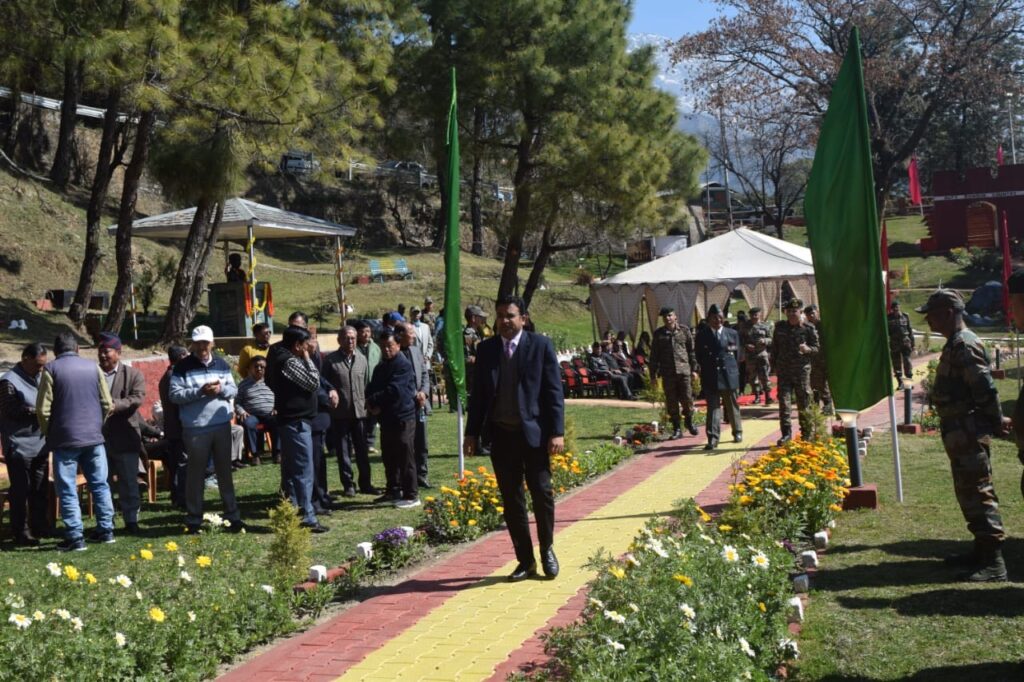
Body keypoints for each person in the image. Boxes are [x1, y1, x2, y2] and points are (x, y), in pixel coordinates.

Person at [465, 295, 564, 582]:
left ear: (523, 318)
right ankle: (525, 560)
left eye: (510, 315)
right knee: (512, 500)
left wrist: (556, 432)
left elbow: (553, 392)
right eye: (500, 316)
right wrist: (471, 433)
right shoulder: (487, 350)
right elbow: (479, 396)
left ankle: (547, 549)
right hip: (502, 435)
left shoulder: (541, 346)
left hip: (534, 436)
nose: (505, 321)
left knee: (542, 493)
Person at [919, 288, 1008, 582]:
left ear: (948, 313)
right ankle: (981, 550)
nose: (928, 321)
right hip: (959, 431)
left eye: (931, 315)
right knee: (968, 491)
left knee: (978, 491)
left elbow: (984, 389)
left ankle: (994, 561)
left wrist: (996, 421)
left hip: (968, 430)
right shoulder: (955, 343)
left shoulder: (965, 345)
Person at [36, 332, 116, 551]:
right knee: (100, 484)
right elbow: (107, 403)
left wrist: (49, 433)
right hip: (94, 437)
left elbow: (43, 409)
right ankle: (106, 530)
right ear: (78, 348)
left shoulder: (51, 369)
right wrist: (97, 425)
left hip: (65, 439)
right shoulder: (93, 367)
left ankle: (75, 536)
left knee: (67, 488)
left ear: (55, 351)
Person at [169, 325, 244, 535]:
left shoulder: (222, 364)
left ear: (212, 343)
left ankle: (232, 515)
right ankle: (194, 518)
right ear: (192, 344)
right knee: (195, 474)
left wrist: (220, 389)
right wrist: (200, 391)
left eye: (205, 342)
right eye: (198, 342)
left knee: (225, 472)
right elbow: (174, 395)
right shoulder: (182, 367)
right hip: (196, 428)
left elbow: (233, 389)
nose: (202, 346)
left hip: (221, 425)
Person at [268, 325, 329, 532]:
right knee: (303, 470)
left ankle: (291, 512)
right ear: (296, 345)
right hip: (295, 421)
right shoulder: (290, 361)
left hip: (292, 421)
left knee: (291, 470)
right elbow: (313, 383)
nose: (308, 346)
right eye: (305, 344)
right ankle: (307, 516)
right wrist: (308, 358)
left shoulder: (280, 356)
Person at [0, 343, 50, 545]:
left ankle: (40, 525)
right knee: (21, 490)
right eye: (38, 364)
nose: (40, 369)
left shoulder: (40, 377)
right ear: (25, 359)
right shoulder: (8, 382)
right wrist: (36, 410)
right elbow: (10, 410)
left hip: (40, 442)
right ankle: (21, 531)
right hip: (18, 445)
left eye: (43, 365)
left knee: (40, 488)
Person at [97, 333, 146, 533]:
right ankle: (106, 522)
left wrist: (115, 405)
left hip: (125, 436)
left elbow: (137, 398)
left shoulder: (133, 375)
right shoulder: (93, 374)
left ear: (118, 352)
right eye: (100, 351)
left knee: (128, 481)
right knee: (103, 482)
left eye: (106, 351)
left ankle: (131, 520)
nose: (102, 355)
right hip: (99, 438)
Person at [366, 328, 419, 508]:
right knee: (389, 456)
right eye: (383, 346)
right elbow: (372, 387)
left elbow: (395, 391)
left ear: (398, 344)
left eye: (390, 345)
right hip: (386, 418)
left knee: (405, 455)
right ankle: (393, 490)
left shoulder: (403, 365)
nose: (386, 350)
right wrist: (371, 402)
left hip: (403, 417)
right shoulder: (381, 367)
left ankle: (411, 494)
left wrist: (374, 400)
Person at [323, 325, 375, 496]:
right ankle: (348, 485)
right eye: (346, 338)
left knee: (362, 450)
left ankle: (366, 484)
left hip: (360, 412)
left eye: (353, 338)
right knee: (344, 451)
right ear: (339, 340)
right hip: (340, 413)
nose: (350, 341)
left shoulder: (362, 359)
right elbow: (324, 384)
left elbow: (366, 384)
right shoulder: (330, 360)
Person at [694, 304, 742, 449]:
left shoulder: (732, 333)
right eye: (714, 318)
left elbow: (737, 355)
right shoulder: (702, 335)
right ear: (708, 319)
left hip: (728, 374)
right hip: (711, 375)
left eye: (720, 317)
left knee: (732, 405)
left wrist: (733, 370)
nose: (718, 320)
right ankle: (713, 438)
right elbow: (699, 356)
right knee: (713, 408)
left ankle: (737, 432)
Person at [772, 298, 819, 445]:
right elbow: (775, 348)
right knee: (784, 404)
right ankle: (786, 434)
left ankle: (806, 433)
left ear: (800, 312)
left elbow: (817, 348)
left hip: (801, 372)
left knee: (804, 402)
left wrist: (808, 349)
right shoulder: (780, 328)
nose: (792, 314)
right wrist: (774, 367)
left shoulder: (808, 328)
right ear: (786, 312)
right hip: (784, 372)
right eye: (790, 311)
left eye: (795, 311)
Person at [650, 307, 698, 439]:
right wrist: (653, 375)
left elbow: (691, 352)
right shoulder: (659, 334)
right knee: (671, 401)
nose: (667, 318)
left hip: (684, 371)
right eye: (665, 316)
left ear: (675, 316)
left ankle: (689, 422)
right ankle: (677, 428)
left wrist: (694, 370)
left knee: (687, 399)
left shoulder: (684, 330)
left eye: (670, 315)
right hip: (668, 373)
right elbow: (654, 355)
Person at [398, 322, 432, 488]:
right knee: (406, 442)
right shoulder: (394, 353)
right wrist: (414, 394)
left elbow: (424, 374)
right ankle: (405, 477)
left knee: (422, 440)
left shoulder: (416, 350)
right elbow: (399, 380)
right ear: (401, 335)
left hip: (420, 405)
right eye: (410, 333)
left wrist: (424, 393)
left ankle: (422, 474)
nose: (413, 336)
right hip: (405, 406)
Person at [157, 345, 189, 509]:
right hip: (178, 427)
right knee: (181, 463)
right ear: (182, 357)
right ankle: (181, 498)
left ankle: (178, 496)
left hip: (174, 427)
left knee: (178, 463)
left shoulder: (168, 376)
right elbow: (178, 404)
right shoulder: (173, 377)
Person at [235, 355, 276, 465]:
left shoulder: (271, 381)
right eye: (256, 366)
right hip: (252, 415)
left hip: (270, 415)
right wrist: (242, 411)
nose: (259, 369)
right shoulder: (243, 384)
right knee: (248, 423)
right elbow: (237, 402)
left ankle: (277, 453)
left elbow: (280, 397)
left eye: (262, 367)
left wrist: (276, 408)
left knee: (278, 421)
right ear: (250, 369)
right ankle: (255, 455)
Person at [804, 304, 834, 415]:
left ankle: (828, 405)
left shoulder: (823, 325)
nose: (811, 316)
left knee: (823, 383)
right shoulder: (806, 327)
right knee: (813, 383)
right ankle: (815, 406)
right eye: (808, 314)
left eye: (813, 313)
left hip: (824, 359)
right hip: (812, 360)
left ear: (817, 312)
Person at [744, 307, 773, 405]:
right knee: (753, 377)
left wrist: (764, 341)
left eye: (756, 315)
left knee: (764, 375)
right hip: (750, 355)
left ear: (760, 314)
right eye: (752, 315)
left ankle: (768, 396)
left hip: (761, 354)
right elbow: (740, 339)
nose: (754, 317)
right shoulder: (745, 326)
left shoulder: (765, 326)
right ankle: (757, 396)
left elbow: (771, 339)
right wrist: (746, 345)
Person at [888, 301, 915, 388]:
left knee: (907, 363)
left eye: (897, 307)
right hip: (894, 344)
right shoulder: (888, 318)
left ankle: (908, 384)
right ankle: (900, 383)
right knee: (896, 364)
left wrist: (913, 343)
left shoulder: (905, 316)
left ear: (899, 307)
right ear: (892, 309)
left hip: (905, 343)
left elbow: (910, 330)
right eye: (894, 307)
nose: (896, 309)